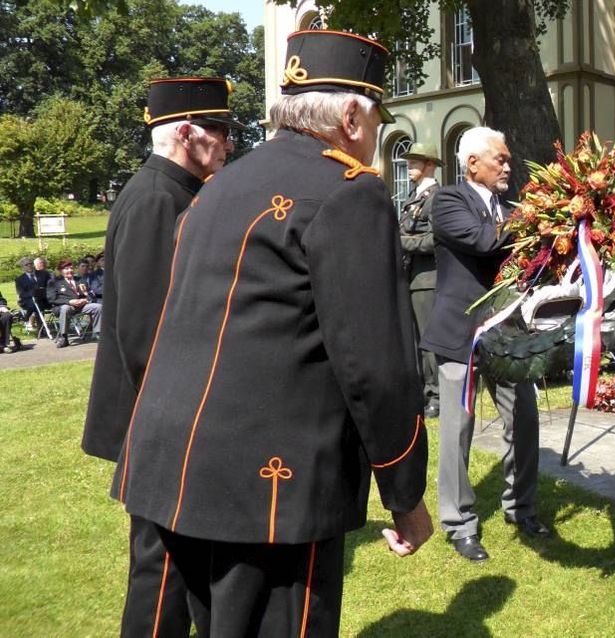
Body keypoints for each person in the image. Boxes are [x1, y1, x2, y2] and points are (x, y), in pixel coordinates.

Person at [111, 30, 432, 636]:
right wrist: (405, 493)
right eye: (377, 119)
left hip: (170, 463)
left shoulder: (218, 187)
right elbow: (376, 368)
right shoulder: (350, 193)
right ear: (353, 116)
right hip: (272, 489)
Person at [81, 76, 242, 638]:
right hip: (163, 422)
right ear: (187, 132)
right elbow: (147, 335)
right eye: (219, 131)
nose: (228, 143)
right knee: (161, 578)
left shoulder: (177, 192)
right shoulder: (156, 199)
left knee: (181, 571)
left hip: (168, 419)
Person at [421, 126, 550, 563]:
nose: (508, 166)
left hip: (508, 334)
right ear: (473, 163)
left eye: (508, 159)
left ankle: (522, 508)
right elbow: (483, 240)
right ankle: (459, 523)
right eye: (502, 158)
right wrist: (537, 217)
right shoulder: (449, 200)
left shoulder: (510, 209)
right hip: (460, 334)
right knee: (458, 430)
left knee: (525, 421)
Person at [398, 142, 443, 418]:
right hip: (411, 277)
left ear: (430, 165)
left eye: (415, 161)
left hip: (428, 278)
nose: (409, 165)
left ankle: (436, 396)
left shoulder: (436, 197)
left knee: (428, 342)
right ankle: (421, 394)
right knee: (414, 340)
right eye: (410, 161)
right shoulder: (413, 197)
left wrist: (402, 242)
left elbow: (437, 240)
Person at [47, 260, 102, 348]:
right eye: (66, 269)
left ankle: (98, 333)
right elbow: (52, 299)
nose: (70, 270)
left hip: (81, 306)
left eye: (71, 268)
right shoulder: (54, 282)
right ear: (60, 271)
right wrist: (69, 302)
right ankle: (64, 337)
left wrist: (85, 299)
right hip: (65, 307)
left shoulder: (80, 280)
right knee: (65, 308)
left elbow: (90, 294)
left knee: (98, 307)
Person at [14, 257, 40, 329]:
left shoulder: (41, 275)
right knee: (35, 304)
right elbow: (21, 294)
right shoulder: (19, 280)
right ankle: (40, 327)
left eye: (30, 263)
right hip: (27, 301)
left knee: (38, 304)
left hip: (42, 299)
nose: (29, 266)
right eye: (26, 264)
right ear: (23, 267)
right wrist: (33, 294)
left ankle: (26, 318)